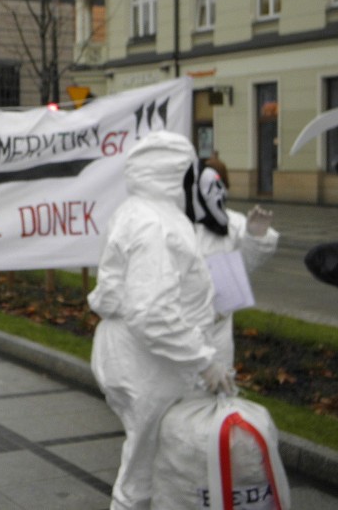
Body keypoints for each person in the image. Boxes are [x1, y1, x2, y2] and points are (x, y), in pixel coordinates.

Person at [88, 131, 233, 510]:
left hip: (142, 358)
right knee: (143, 470)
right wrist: (203, 358)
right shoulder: (155, 223)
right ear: (173, 173)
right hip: (148, 365)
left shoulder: (141, 212)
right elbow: (151, 312)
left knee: (154, 461)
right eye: (190, 171)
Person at [190, 162, 279, 367]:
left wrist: (257, 237)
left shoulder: (231, 223)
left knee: (215, 387)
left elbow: (247, 263)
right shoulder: (177, 222)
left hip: (217, 328)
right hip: (182, 325)